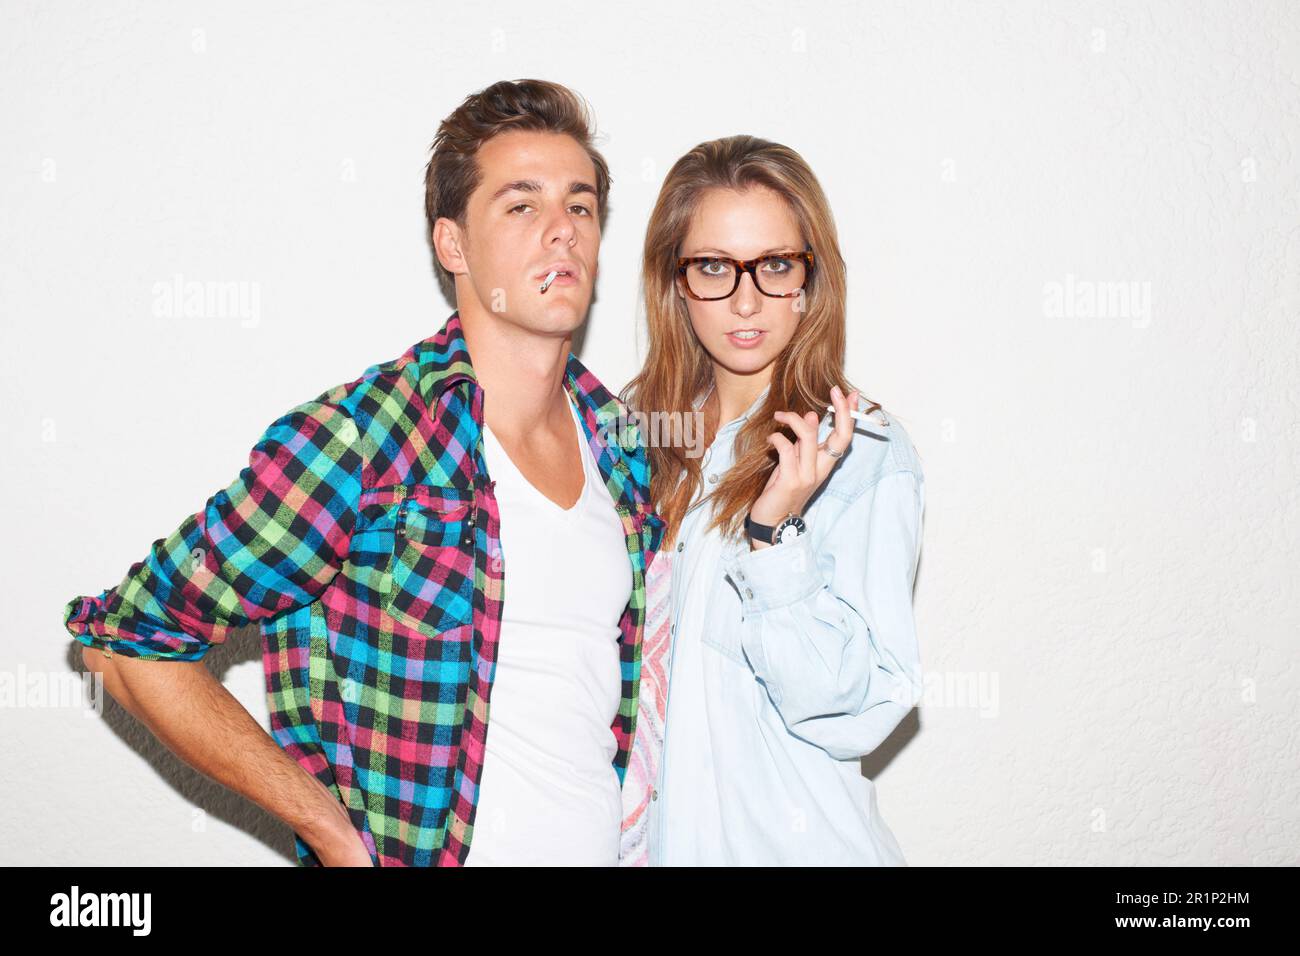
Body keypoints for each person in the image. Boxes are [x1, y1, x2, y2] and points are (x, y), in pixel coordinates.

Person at [62, 78, 664, 867]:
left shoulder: (620, 445)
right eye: (522, 205)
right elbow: (126, 643)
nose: (562, 232)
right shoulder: (367, 438)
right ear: (453, 245)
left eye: (580, 206)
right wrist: (329, 833)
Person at [619, 134, 925, 865]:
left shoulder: (863, 452)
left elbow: (860, 711)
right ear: (676, 282)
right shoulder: (632, 438)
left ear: (811, 281)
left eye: (776, 265)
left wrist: (773, 532)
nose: (747, 299)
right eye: (716, 267)